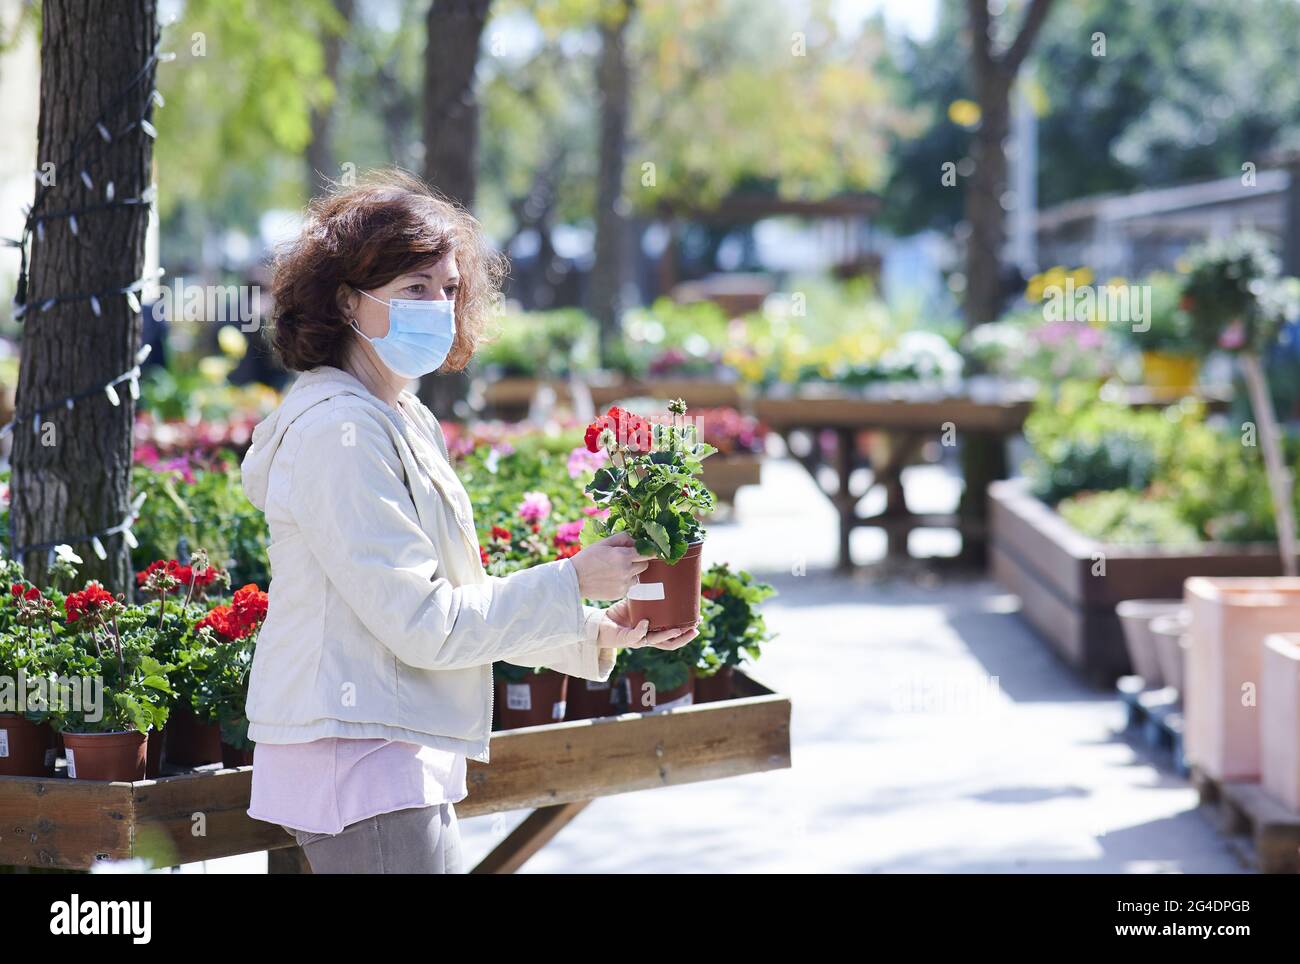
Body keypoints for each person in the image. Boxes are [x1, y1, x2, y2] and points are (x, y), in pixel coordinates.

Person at [238, 169, 698, 874]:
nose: (440, 307)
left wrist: (595, 631)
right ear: (344, 303)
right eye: (413, 289)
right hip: (361, 764)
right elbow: (428, 623)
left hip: (387, 754)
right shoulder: (341, 432)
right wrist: (573, 579)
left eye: (449, 289)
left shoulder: (399, 414)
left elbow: (455, 594)